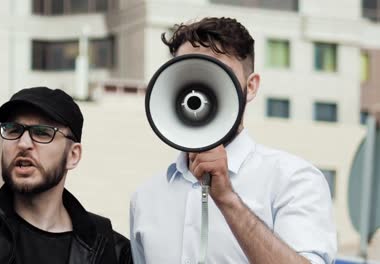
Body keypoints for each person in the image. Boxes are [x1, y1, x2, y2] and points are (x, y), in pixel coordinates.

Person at [130, 17, 337, 264]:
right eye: (188, 69)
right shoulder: (145, 198)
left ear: (251, 87)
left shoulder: (293, 180)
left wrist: (227, 199)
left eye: (217, 72)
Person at [0, 60, 132, 264]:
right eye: (14, 130)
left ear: (73, 155)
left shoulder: (111, 250)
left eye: (43, 133)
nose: (23, 143)